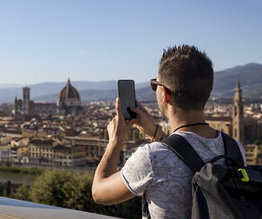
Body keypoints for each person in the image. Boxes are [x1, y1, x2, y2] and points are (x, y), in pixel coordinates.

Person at [92, 45, 246, 218]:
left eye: (154, 85)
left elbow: (99, 192)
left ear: (164, 94)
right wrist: (154, 132)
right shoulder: (234, 150)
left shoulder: (151, 158)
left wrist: (115, 140)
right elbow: (182, 155)